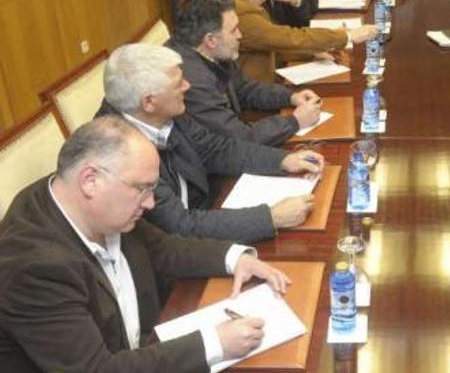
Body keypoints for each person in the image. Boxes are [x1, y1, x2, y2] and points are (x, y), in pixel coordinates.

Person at [0, 116, 292, 371]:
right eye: (142, 189)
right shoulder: (34, 267)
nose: (151, 202)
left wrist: (236, 258)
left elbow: (163, 249)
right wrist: (215, 343)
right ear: (90, 180)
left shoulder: (91, 201)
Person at [99, 43, 323, 243]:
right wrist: (271, 217)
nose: (187, 86)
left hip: (207, 209)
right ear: (149, 102)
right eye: (178, 84)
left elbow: (214, 149)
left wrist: (283, 160)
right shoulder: (119, 153)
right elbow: (179, 225)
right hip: (175, 254)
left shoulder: (164, 111)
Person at [167, 0, 321, 146]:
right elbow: (238, 138)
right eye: (233, 30)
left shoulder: (212, 51)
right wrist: (295, 121)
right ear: (210, 40)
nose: (240, 35)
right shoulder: (193, 80)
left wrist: (290, 97)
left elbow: (245, 89)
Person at [218, 0, 376, 82]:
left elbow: (272, 47)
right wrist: (347, 36)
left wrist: (311, 52)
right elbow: (286, 37)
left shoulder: (242, 5)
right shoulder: (238, 13)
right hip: (256, 100)